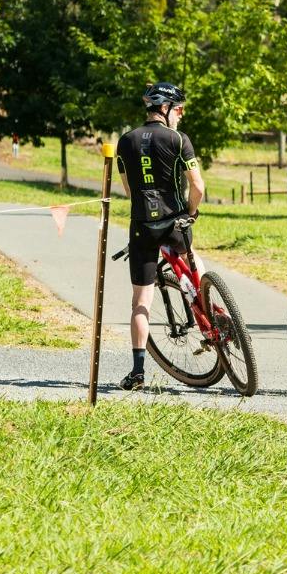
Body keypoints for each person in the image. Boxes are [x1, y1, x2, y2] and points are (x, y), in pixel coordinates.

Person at [113, 82, 205, 391]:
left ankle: (137, 371)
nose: (181, 115)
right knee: (196, 271)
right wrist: (191, 212)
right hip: (175, 223)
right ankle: (213, 311)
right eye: (179, 109)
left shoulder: (125, 142)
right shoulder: (178, 140)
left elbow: (128, 190)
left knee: (140, 302)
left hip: (142, 227)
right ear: (165, 109)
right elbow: (198, 187)